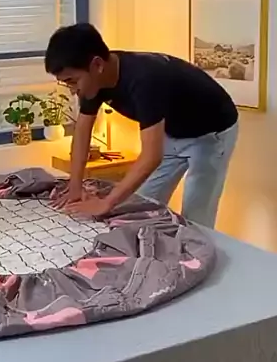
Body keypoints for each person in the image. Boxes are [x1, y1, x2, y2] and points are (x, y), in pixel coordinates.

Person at [45, 24, 238, 228]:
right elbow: (82, 132)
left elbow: (151, 157)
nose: (73, 90)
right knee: (140, 203)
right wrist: (75, 185)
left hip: (211, 132)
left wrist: (106, 203)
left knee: (195, 218)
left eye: (72, 81)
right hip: (172, 132)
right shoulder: (94, 81)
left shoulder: (145, 79)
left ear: (97, 65)